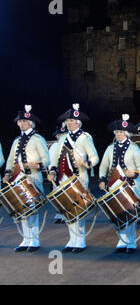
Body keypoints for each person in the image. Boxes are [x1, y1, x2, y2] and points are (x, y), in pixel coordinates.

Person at [47, 104, 99, 254]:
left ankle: (80, 241)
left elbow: (95, 156)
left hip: (79, 177)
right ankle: (71, 240)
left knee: (78, 209)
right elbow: (56, 158)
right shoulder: (63, 137)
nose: (69, 123)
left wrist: (86, 163)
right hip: (63, 177)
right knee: (67, 209)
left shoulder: (84, 138)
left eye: (72, 121)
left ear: (78, 123)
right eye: (68, 121)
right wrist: (52, 171)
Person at [2, 105, 50, 252]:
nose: (20, 123)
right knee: (21, 209)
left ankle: (34, 240)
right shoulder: (16, 140)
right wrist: (7, 173)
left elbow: (46, 159)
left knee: (32, 209)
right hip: (18, 177)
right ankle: (25, 240)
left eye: (23, 121)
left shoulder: (37, 139)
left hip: (32, 178)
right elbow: (11, 160)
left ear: (30, 123)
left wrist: (38, 165)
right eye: (19, 121)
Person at [99, 114, 140, 254]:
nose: (119, 134)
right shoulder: (110, 148)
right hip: (114, 185)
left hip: (130, 185)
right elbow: (103, 166)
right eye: (117, 132)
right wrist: (102, 180)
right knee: (117, 213)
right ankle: (122, 239)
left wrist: (134, 173)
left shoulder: (134, 148)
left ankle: (131, 241)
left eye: (121, 132)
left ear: (126, 133)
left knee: (130, 214)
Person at [49, 125, 68, 224]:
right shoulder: (53, 146)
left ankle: (67, 215)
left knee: (66, 195)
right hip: (55, 174)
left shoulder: (68, 145)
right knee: (57, 195)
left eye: (62, 135)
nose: (60, 137)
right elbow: (51, 160)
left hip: (66, 174)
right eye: (59, 135)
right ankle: (60, 214)